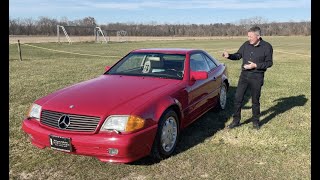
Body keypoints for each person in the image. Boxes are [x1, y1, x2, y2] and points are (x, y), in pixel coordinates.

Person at [222, 26, 273, 130]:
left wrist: (255, 66)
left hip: (257, 77)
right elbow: (238, 55)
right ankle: (236, 121)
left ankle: (255, 122)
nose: (249, 38)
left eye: (251, 36)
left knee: (255, 100)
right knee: (237, 98)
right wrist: (229, 56)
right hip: (244, 76)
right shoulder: (246, 45)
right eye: (248, 36)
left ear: (258, 36)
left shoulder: (267, 46)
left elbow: (269, 63)